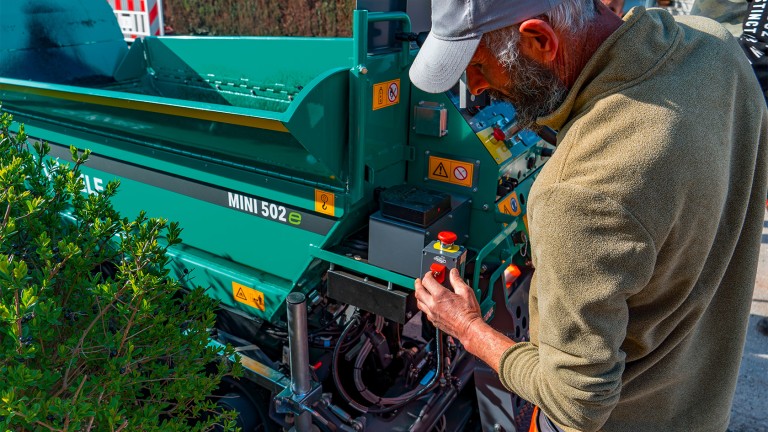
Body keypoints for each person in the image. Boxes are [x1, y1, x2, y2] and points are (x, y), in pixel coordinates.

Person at [410, 1, 768, 431]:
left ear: (541, 40)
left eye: (478, 65)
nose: (476, 86)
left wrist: (468, 328)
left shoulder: (577, 194)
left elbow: (576, 404)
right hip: (702, 409)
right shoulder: (717, 48)